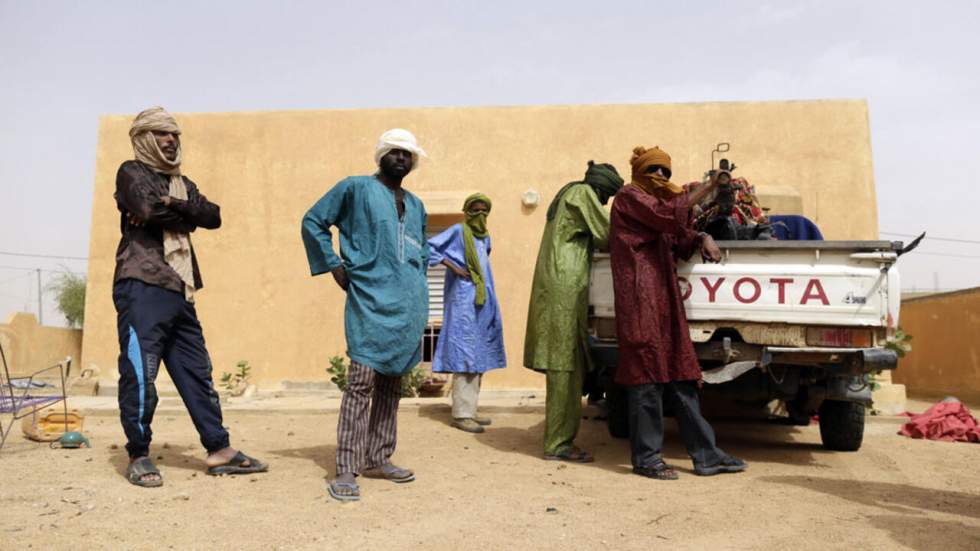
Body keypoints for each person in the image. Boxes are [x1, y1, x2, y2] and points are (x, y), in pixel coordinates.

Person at [112, 107, 267, 488]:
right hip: (142, 284)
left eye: (175, 135)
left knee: (197, 373)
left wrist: (175, 205)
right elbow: (145, 208)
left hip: (181, 289)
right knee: (141, 373)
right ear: (145, 138)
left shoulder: (181, 183)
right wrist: (179, 213)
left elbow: (213, 216)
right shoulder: (131, 172)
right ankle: (139, 454)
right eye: (162, 134)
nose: (170, 140)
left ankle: (219, 450)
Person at [301, 128, 429, 502]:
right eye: (395, 152)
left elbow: (421, 250)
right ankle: (346, 467)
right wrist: (334, 265)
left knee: (392, 387)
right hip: (369, 299)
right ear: (381, 155)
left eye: (408, 154)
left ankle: (379, 457)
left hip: (408, 304)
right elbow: (313, 221)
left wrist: (419, 283)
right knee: (360, 383)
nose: (402, 158)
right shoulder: (354, 188)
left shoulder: (417, 204)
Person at [609, 145, 747, 480]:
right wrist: (710, 186)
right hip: (640, 301)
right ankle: (647, 459)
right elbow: (667, 216)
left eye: (665, 172)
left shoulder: (659, 207)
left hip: (666, 303)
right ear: (640, 173)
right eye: (654, 170)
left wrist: (701, 235)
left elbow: (678, 235)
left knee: (682, 377)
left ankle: (707, 455)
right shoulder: (629, 198)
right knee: (647, 379)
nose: (660, 177)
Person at [524, 161, 624, 462]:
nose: (606, 200)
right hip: (563, 287)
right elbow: (607, 233)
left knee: (569, 364)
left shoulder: (573, 192)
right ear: (602, 188)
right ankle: (557, 444)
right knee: (563, 365)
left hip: (565, 285)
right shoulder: (582, 194)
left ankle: (561, 439)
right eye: (609, 194)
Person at [427, 193, 506, 433]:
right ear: (467, 211)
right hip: (462, 300)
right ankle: (461, 415)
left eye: (484, 210)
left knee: (479, 353)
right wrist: (454, 267)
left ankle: (470, 409)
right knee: (464, 353)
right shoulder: (457, 231)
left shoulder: (485, 238)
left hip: (482, 300)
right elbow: (429, 247)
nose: (480, 214)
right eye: (475, 210)